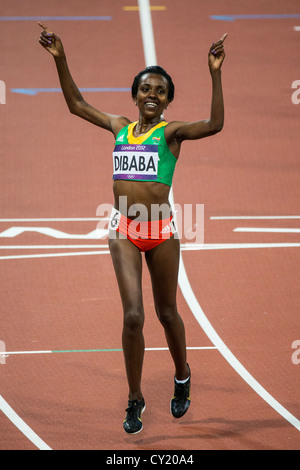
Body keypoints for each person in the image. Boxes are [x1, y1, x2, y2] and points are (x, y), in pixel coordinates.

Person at [38, 22, 227, 434]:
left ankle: (181, 375)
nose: (152, 95)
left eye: (160, 91)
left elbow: (214, 124)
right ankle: (135, 398)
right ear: (135, 95)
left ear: (168, 101)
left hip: (160, 232)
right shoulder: (118, 126)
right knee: (133, 317)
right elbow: (76, 105)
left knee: (166, 312)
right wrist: (61, 59)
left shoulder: (171, 133)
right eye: (146, 88)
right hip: (124, 229)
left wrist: (214, 72)